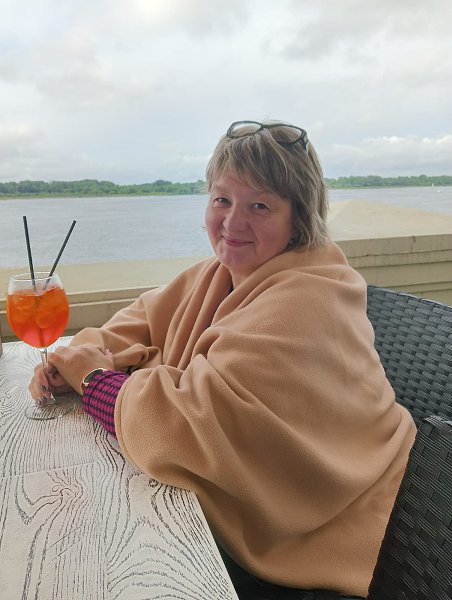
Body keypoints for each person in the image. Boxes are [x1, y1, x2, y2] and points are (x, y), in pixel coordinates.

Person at [29, 120, 416, 599]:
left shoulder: (305, 299)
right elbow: (142, 318)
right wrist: (71, 360)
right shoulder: (220, 273)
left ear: (299, 217)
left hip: (330, 521)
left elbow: (186, 427)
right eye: (222, 200)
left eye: (260, 205)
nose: (233, 223)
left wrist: (91, 378)